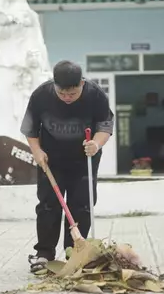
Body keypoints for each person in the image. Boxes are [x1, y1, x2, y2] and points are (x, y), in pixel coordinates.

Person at [20, 60, 114, 273]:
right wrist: (37, 151)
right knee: (48, 204)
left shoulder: (95, 95)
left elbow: (105, 126)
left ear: (81, 83)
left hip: (84, 158)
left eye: (72, 94)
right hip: (50, 159)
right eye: (62, 94)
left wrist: (96, 144)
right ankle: (44, 254)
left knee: (82, 204)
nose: (67, 98)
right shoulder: (41, 95)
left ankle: (75, 252)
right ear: (54, 84)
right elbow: (31, 129)